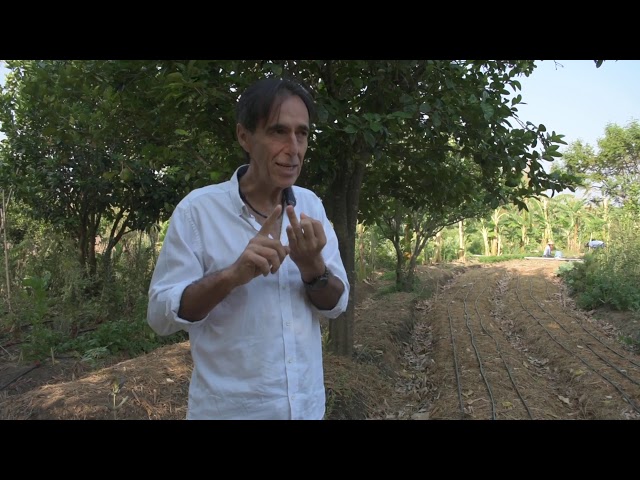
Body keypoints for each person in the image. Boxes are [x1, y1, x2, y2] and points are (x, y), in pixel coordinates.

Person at [147, 77, 350, 420]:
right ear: (244, 136)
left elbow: (336, 304)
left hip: (306, 409)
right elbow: (160, 315)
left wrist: (313, 268)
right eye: (278, 132)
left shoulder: (311, 207)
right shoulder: (198, 212)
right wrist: (231, 276)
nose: (294, 147)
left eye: (302, 134)